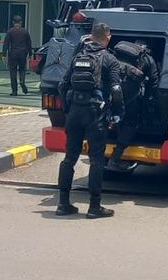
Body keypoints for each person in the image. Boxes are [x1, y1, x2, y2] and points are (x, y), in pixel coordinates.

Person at [56, 22, 122, 218]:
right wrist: (117, 114)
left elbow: (62, 85)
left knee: (69, 157)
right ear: (108, 38)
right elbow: (116, 91)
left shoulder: (78, 57)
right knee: (96, 160)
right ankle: (94, 207)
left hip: (75, 112)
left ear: (91, 36)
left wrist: (68, 109)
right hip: (95, 114)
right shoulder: (110, 59)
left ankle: (63, 204)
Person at [107, 41, 157, 171]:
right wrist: (149, 101)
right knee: (131, 123)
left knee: (112, 116)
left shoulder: (118, 51)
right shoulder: (147, 58)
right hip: (129, 94)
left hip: (111, 87)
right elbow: (154, 81)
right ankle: (116, 157)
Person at [2, 15, 32, 96]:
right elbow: (29, 43)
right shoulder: (25, 31)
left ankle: (14, 91)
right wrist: (30, 54)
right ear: (21, 22)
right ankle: (22, 82)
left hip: (13, 54)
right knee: (22, 70)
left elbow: (6, 43)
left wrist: (4, 54)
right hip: (23, 54)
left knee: (13, 72)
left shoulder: (10, 31)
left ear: (13, 22)